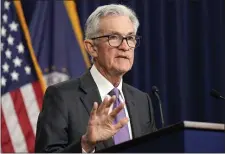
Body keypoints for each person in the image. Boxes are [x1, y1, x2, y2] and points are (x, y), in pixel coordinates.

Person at [35, 4, 157, 153]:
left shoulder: (142, 100)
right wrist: (85, 145)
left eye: (130, 38)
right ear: (92, 48)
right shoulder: (61, 97)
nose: (125, 46)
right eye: (114, 37)